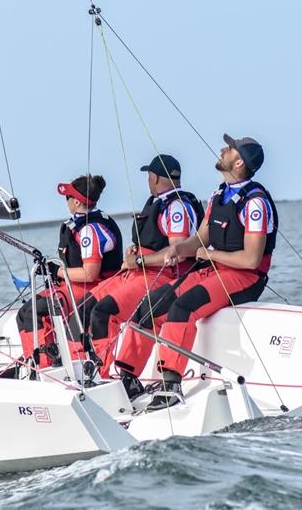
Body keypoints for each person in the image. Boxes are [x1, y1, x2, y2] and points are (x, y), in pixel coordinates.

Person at [116, 134, 278, 410]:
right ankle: (128, 379)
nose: (222, 149)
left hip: (244, 277)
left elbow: (251, 260)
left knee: (182, 307)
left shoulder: (255, 204)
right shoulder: (218, 194)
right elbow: (199, 239)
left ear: (238, 162)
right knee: (149, 306)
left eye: (229, 148)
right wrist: (179, 250)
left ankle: (171, 384)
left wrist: (208, 254)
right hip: (214, 270)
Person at [66, 154, 203, 395]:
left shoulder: (177, 206)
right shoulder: (157, 201)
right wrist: (136, 251)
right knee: (83, 309)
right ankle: (81, 372)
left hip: (160, 275)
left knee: (104, 312)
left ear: (156, 177)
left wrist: (139, 259)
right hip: (139, 271)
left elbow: (178, 253)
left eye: (150, 176)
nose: (148, 180)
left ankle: (109, 380)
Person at [16, 175, 123, 369]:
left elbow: (90, 274)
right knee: (25, 313)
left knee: (38, 312)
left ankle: (49, 367)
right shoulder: (77, 224)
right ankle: (37, 363)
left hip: (95, 286)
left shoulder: (91, 229)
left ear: (75, 201)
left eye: (67, 198)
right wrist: (52, 270)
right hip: (74, 285)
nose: (65, 202)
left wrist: (56, 271)